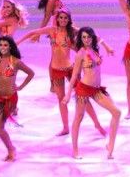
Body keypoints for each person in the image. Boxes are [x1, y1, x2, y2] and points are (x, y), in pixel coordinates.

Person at [17, 8, 112, 136]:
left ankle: (97, 124)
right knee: (61, 99)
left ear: (69, 19)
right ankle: (65, 127)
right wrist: (16, 43)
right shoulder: (52, 30)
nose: (63, 20)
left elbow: (94, 36)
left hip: (69, 69)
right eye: (60, 17)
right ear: (57, 18)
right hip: (56, 71)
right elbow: (32, 33)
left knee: (82, 97)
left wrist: (107, 47)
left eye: (65, 18)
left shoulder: (72, 30)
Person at [63, 27, 121, 159]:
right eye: (83, 37)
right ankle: (75, 150)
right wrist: (67, 95)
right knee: (79, 118)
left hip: (96, 89)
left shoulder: (94, 49)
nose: (86, 39)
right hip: (83, 89)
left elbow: (99, 39)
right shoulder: (81, 53)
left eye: (88, 37)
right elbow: (74, 76)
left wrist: (107, 48)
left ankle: (110, 147)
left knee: (116, 113)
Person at [0, 36, 35, 161]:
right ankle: (10, 148)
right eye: (0, 45)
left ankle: (11, 149)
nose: (3, 47)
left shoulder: (16, 62)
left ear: (10, 46)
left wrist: (21, 86)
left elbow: (31, 73)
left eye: (5, 45)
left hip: (10, 99)